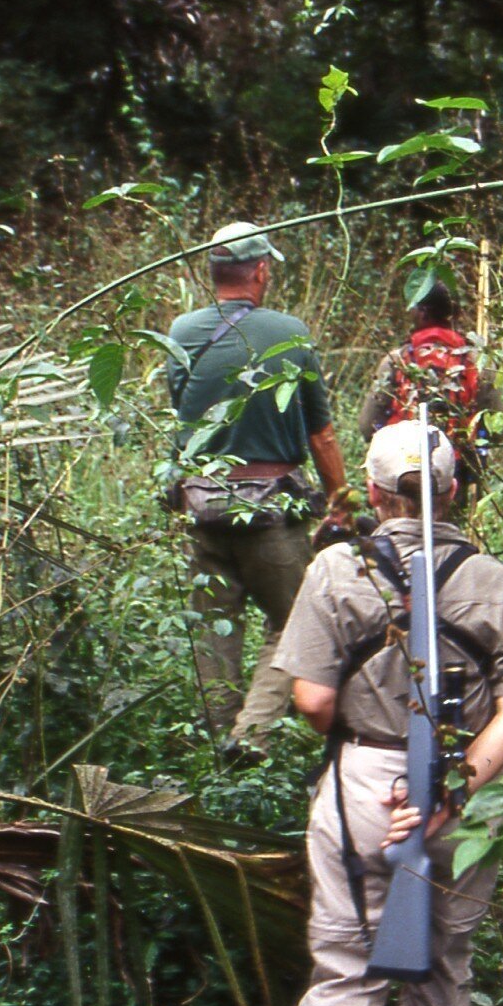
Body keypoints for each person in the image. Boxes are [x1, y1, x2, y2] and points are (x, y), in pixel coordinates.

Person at [272, 419, 503, 1006]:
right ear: (456, 489)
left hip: (362, 778)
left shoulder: (335, 569)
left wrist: (373, 751)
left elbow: (313, 701)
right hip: (472, 787)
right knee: (445, 943)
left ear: (376, 493)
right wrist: (452, 788)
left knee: (349, 957)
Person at [167, 220, 348, 759]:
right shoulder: (289, 332)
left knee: (213, 630)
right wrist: (342, 498)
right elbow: (322, 433)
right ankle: (251, 736)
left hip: (200, 506)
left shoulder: (181, 332)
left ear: (213, 272)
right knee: (297, 622)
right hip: (273, 510)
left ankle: (218, 742)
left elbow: (183, 412)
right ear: (261, 270)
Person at [359, 281, 499, 490]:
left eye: (413, 308)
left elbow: (367, 425)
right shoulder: (477, 362)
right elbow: (497, 428)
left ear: (423, 312)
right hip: (457, 472)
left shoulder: (397, 360)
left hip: (402, 471)